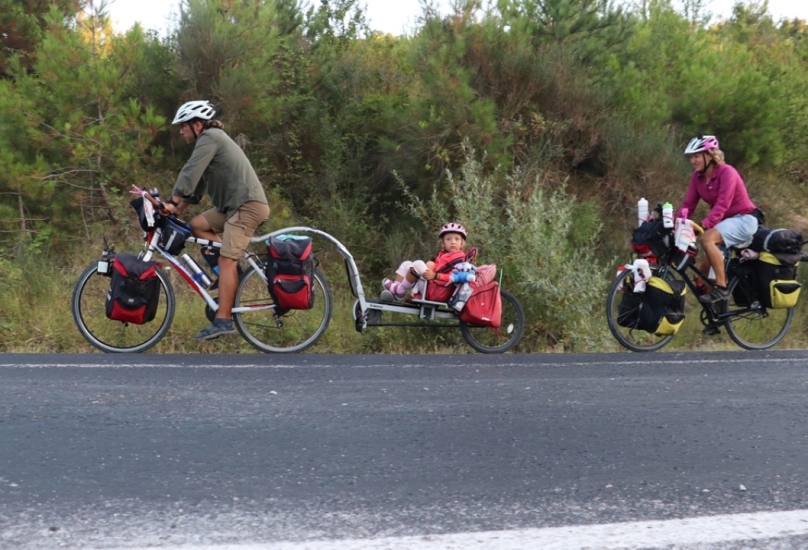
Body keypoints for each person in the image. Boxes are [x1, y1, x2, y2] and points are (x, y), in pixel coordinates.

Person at [161, 100, 270, 340]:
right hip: (234, 207)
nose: (181, 131)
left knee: (227, 259)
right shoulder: (210, 140)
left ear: (197, 125)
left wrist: (171, 199)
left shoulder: (210, 137)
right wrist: (179, 209)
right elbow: (197, 182)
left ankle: (223, 321)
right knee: (198, 225)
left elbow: (190, 171)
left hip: (247, 207)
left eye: (183, 126)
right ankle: (232, 278)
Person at [677, 135, 760, 304]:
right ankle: (716, 316)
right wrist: (674, 222)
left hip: (744, 219)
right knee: (704, 269)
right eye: (691, 157)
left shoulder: (727, 172)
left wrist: (704, 225)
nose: (693, 160)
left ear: (710, 155)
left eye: (697, 156)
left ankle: (722, 288)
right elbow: (688, 204)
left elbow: (722, 204)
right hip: (725, 224)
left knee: (707, 238)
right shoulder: (697, 177)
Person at [381, 222, 469, 302]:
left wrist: (436, 275)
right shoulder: (442, 255)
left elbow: (455, 277)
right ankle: (396, 292)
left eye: (457, 239)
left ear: (462, 243)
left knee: (418, 263)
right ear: (443, 243)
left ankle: (400, 290)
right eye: (448, 239)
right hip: (431, 285)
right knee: (406, 264)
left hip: (438, 291)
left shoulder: (460, 259)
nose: (453, 242)